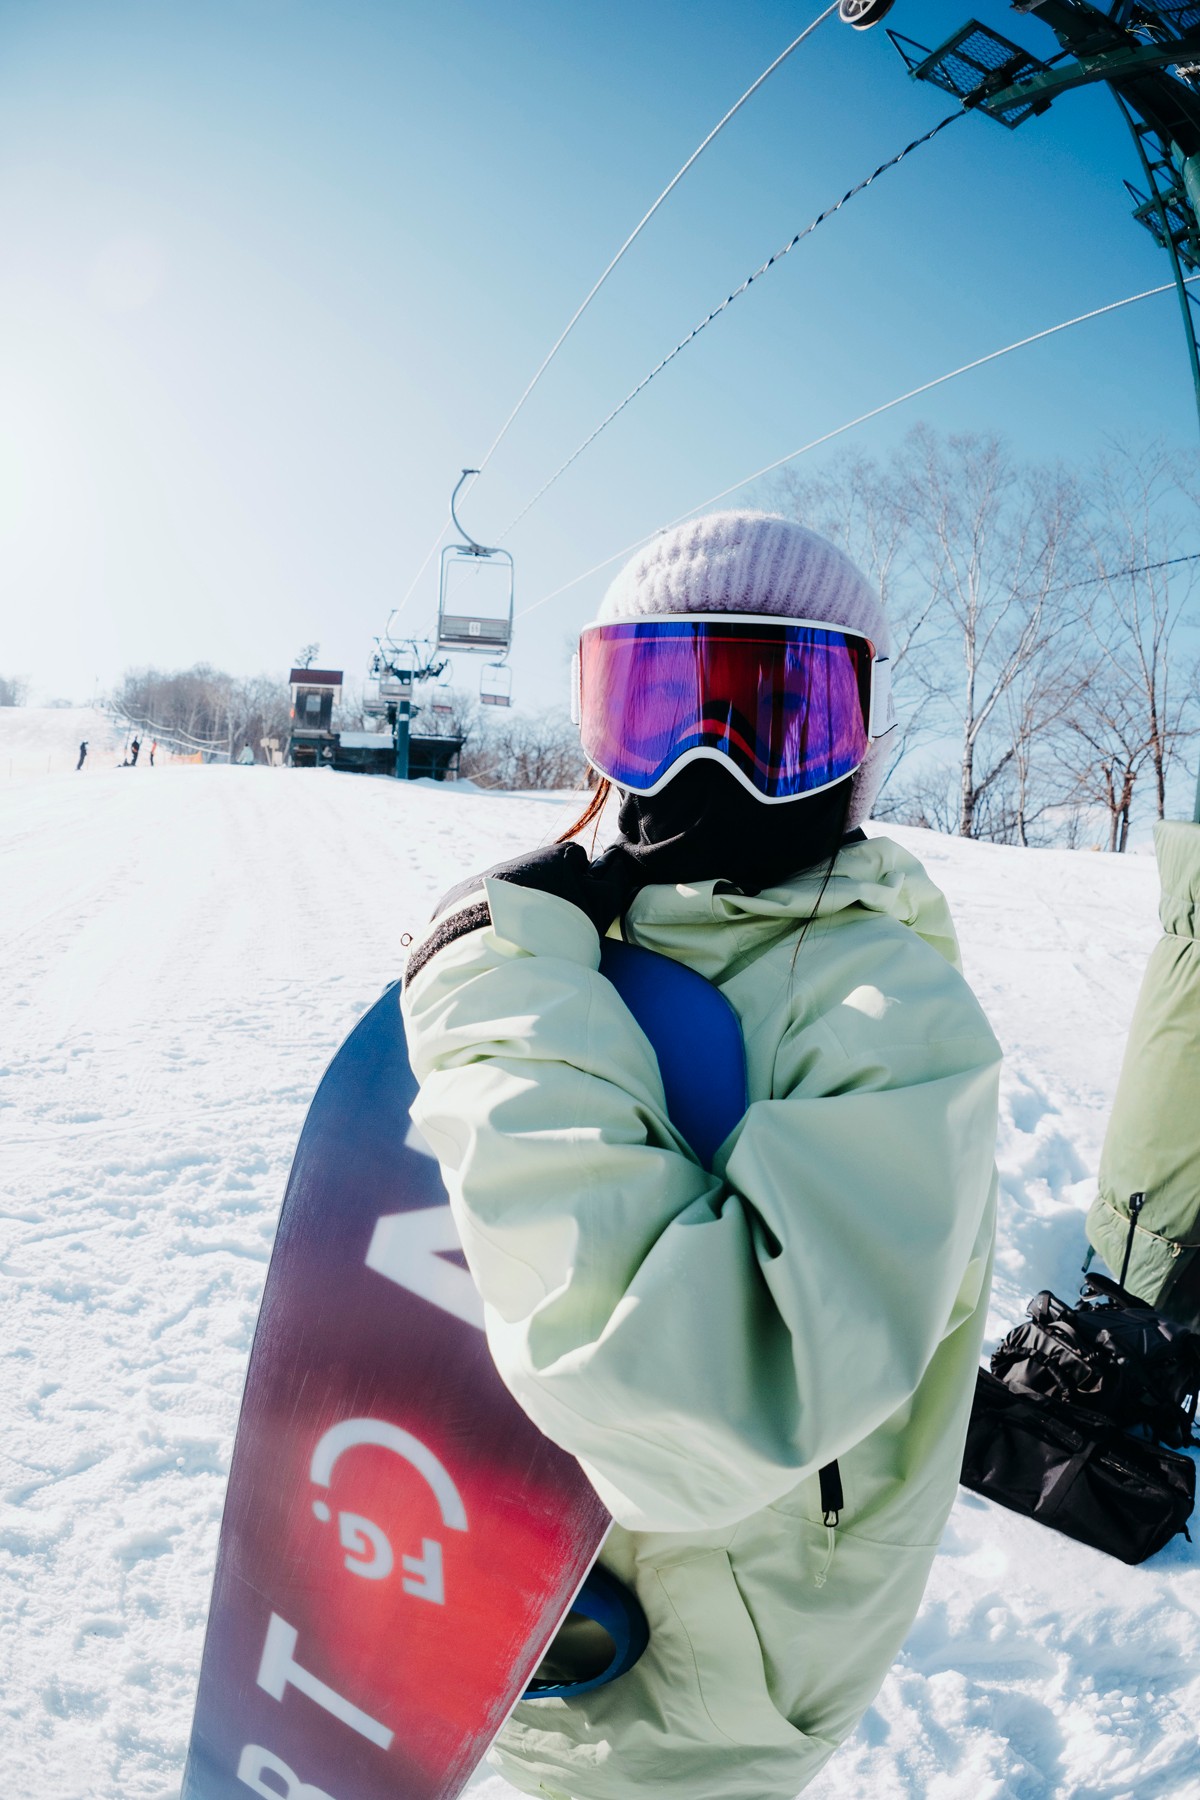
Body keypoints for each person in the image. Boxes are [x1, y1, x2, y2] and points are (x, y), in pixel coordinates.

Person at [401, 511, 1001, 1800]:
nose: (707, 761)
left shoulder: (895, 1019)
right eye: (659, 709)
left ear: (859, 743)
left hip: (705, 1700)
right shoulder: (587, 941)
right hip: (520, 1625)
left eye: (778, 719)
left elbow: (702, 1398)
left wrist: (497, 1005)